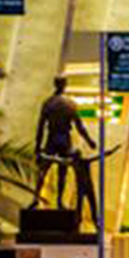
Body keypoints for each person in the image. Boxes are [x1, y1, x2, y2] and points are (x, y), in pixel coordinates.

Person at [30, 76, 96, 214]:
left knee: (45, 170)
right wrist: (89, 141)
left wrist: (37, 145)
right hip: (63, 138)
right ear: (64, 85)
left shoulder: (49, 103)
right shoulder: (69, 103)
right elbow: (79, 126)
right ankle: (57, 201)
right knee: (59, 172)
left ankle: (38, 198)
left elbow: (40, 126)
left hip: (53, 138)